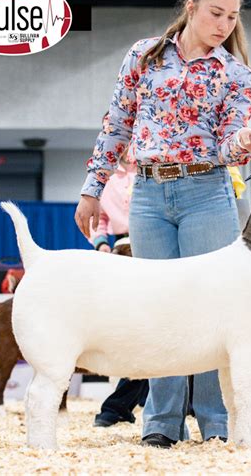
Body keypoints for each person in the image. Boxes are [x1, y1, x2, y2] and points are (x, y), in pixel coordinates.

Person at [75, 0, 251, 448]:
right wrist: (92, 188)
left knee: (209, 310)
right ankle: (160, 421)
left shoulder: (235, 73)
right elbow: (116, 124)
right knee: (157, 309)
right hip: (148, 194)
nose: (224, 25)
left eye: (232, 17)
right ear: (191, 7)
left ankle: (214, 420)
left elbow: (227, 143)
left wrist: (240, 141)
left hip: (208, 192)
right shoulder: (143, 55)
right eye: (215, 13)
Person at [87, 146, 150, 427]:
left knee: (152, 326)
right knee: (135, 327)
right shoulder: (106, 178)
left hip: (152, 242)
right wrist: (101, 244)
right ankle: (123, 404)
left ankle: (117, 406)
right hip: (121, 249)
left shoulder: (150, 168)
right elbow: (99, 220)